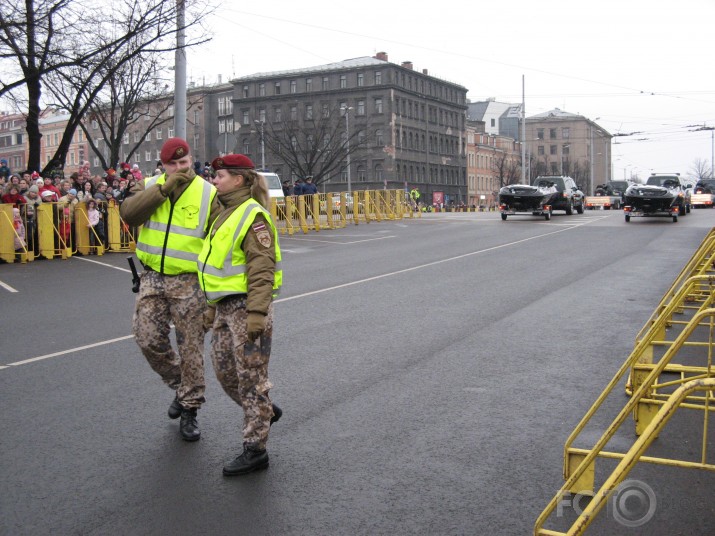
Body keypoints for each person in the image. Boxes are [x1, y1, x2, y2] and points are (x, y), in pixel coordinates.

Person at [120, 137, 220, 442]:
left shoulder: (208, 192)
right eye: (173, 164)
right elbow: (129, 214)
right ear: (163, 165)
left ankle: (190, 408)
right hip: (152, 276)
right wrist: (162, 190)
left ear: (192, 159)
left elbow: (219, 240)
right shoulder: (149, 185)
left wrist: (214, 290)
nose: (180, 168)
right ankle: (181, 385)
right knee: (147, 337)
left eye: (184, 162)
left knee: (191, 347)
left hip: (190, 281)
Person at [197, 154, 282, 475]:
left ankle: (255, 449)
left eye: (219, 175)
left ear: (239, 179)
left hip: (247, 308)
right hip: (223, 308)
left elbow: (261, 269)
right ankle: (264, 410)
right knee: (224, 372)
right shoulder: (224, 214)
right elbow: (212, 267)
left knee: (251, 379)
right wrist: (209, 309)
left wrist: (257, 314)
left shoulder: (253, 216)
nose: (214, 180)